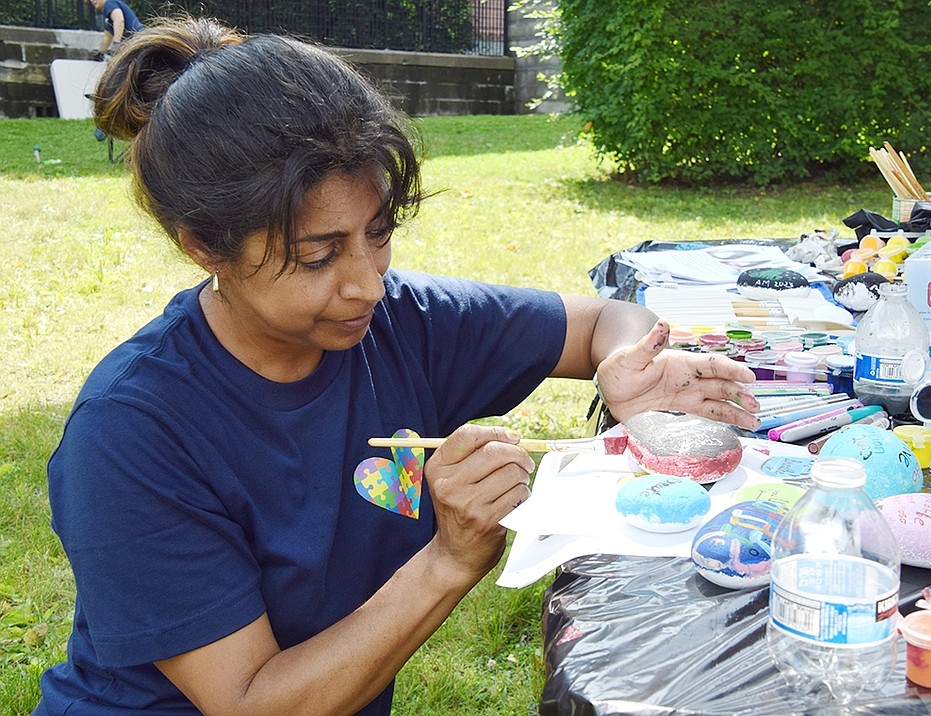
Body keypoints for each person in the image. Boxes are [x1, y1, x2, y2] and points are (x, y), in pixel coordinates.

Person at [34, 16, 761, 716]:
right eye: (318, 255)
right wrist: (447, 560)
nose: (368, 284)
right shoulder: (132, 433)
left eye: (378, 235)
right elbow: (250, 701)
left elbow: (602, 320)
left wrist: (625, 363)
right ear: (205, 245)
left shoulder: (399, 324)